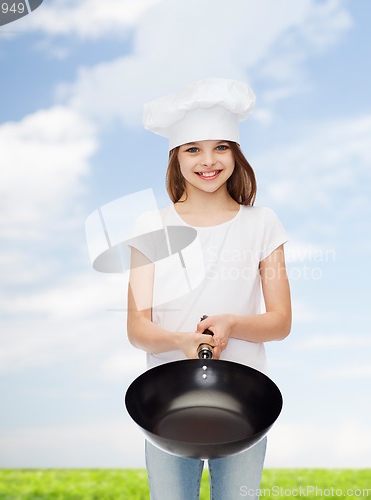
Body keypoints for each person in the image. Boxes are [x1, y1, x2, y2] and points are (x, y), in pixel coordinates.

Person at [127, 78, 292, 500]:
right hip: (168, 401)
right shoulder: (151, 227)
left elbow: (280, 322)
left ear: (236, 154)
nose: (208, 161)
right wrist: (181, 340)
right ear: (175, 157)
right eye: (193, 149)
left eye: (221, 147)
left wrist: (233, 323)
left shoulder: (262, 224)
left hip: (244, 403)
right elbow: (137, 328)